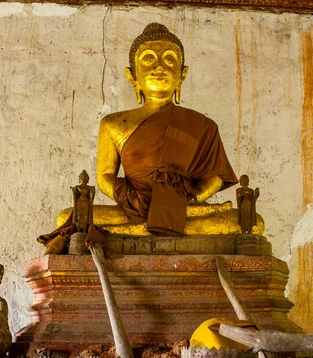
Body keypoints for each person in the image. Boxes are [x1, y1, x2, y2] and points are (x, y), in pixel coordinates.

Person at [95, 23, 238, 236]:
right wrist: (136, 202)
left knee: (247, 221)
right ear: (132, 76)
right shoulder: (113, 124)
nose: (159, 66)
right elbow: (105, 176)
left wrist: (187, 200)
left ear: (182, 74)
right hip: (133, 208)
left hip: (182, 208)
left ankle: (148, 228)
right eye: (149, 59)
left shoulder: (202, 125)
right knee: (68, 217)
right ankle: (154, 225)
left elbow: (215, 176)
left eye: (169, 59)